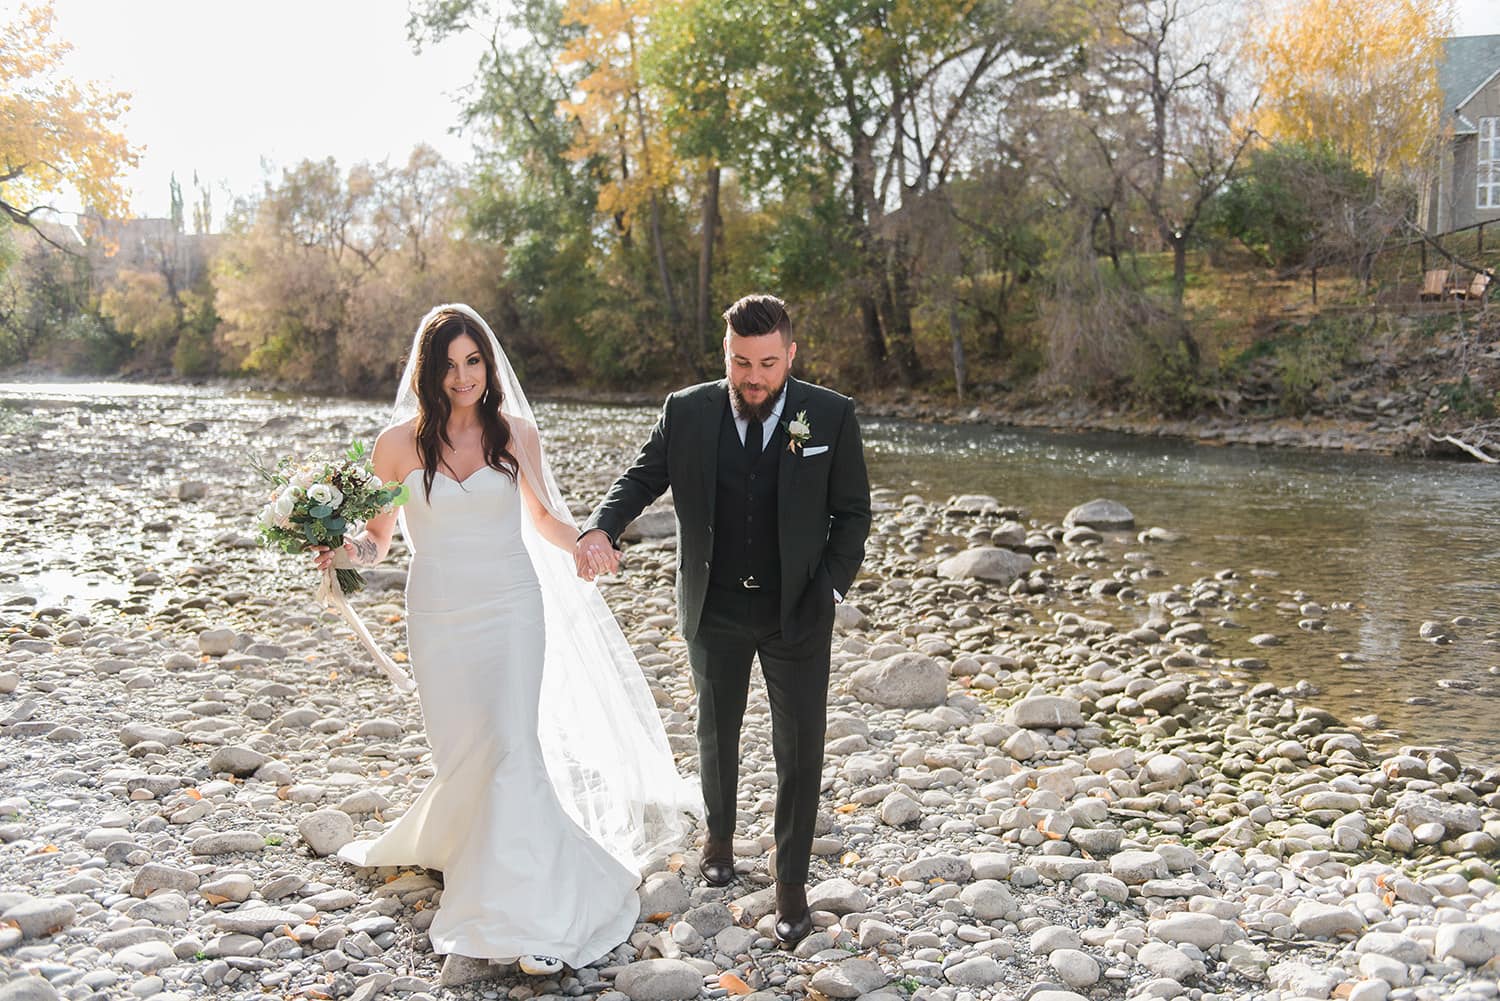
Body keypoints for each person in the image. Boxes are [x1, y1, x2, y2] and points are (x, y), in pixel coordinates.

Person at [310, 304, 696, 987]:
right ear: (429, 371)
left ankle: (528, 911)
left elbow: (543, 515)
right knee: (467, 752)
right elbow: (377, 540)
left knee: (515, 747)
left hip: (513, 608)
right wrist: (340, 545)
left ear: (488, 365)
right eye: (450, 364)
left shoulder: (514, 433)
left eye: (474, 361)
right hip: (437, 614)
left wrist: (584, 542)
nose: (463, 376)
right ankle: (473, 849)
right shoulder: (395, 444)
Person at [575, 293, 872, 945]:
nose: (755, 377)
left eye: (768, 362)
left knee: (801, 747)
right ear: (726, 355)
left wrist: (828, 591)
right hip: (714, 606)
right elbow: (642, 477)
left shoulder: (829, 414)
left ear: (790, 355)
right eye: (742, 362)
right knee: (717, 730)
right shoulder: (687, 411)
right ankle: (718, 835)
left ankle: (790, 880)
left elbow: (853, 514)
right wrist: (602, 526)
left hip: (798, 607)